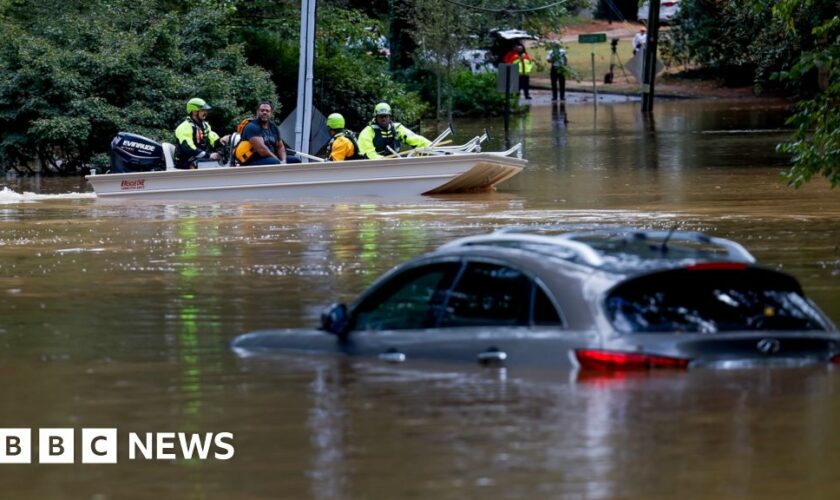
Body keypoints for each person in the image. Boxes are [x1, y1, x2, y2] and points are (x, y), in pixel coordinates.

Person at [234, 101, 300, 166]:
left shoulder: (273, 127)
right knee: (275, 162)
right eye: (262, 110)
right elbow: (262, 150)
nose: (264, 112)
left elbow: (280, 147)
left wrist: (283, 161)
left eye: (267, 111)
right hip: (253, 161)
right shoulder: (252, 127)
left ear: (271, 113)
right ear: (257, 112)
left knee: (295, 160)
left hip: (271, 159)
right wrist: (279, 162)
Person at [357, 103, 431, 159]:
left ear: (389, 117)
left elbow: (415, 139)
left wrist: (431, 146)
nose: (384, 119)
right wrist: (382, 160)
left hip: (395, 162)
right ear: (376, 117)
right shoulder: (367, 132)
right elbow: (367, 152)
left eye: (386, 116)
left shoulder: (397, 128)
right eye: (381, 116)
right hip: (376, 165)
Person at [174, 98, 230, 169]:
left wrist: (222, 140)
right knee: (211, 163)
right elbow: (189, 148)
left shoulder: (204, 125)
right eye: (203, 110)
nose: (206, 113)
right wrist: (208, 155)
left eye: (206, 111)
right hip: (186, 163)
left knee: (221, 161)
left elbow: (213, 140)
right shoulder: (185, 127)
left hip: (198, 159)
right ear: (194, 112)